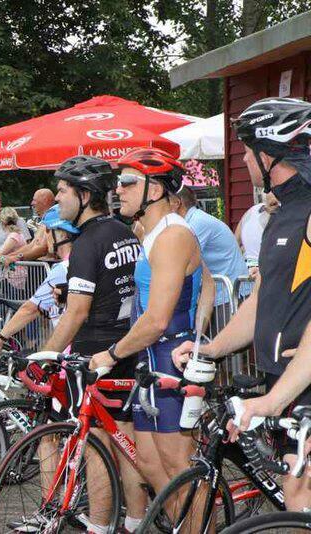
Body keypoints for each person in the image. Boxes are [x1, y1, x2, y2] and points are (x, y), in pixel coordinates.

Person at [178, 97, 311, 511]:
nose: (243, 161)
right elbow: (260, 299)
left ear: (268, 154)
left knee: (299, 495)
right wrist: (211, 349)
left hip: (302, 381)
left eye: (247, 151)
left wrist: (272, 400)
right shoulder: (281, 215)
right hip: (283, 379)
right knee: (295, 498)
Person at [84, 149, 214, 533]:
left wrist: (110, 354)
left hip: (169, 356)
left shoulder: (173, 235)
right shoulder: (148, 232)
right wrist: (201, 329)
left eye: (127, 183)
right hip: (151, 359)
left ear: (154, 190)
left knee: (180, 469)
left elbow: (156, 320)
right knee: (150, 464)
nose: (117, 191)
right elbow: (207, 281)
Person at [34, 155, 146, 534]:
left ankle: (99, 524)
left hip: (95, 352)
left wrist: (46, 356)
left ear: (84, 195)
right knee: (125, 438)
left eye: (63, 191)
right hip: (126, 344)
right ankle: (136, 519)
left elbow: (76, 312)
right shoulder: (125, 232)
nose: (57, 199)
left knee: (96, 442)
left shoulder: (86, 243)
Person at [0, 204, 77, 356]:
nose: (45, 237)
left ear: (61, 234)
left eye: (47, 230)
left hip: (70, 351)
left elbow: (30, 309)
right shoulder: (81, 261)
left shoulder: (63, 268)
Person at [171, 186, 247, 333]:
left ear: (177, 203)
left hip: (226, 297)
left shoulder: (196, 223)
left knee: (221, 344)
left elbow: (178, 259)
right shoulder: (193, 221)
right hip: (221, 294)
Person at [234, 192, 279, 276]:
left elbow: (235, 243)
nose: (279, 206)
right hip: (262, 271)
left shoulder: (252, 211)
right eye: (274, 204)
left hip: (247, 271)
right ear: (265, 208)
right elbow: (235, 242)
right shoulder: (253, 212)